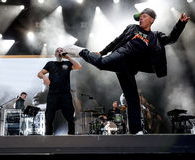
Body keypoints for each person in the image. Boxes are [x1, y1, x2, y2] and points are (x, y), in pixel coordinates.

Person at [62, 8, 190, 134]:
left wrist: (180, 23)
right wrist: (102, 52)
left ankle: (136, 130)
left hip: (131, 67)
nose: (141, 18)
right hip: (122, 55)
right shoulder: (132, 28)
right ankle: (79, 50)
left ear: (152, 20)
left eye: (144, 16)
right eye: (140, 17)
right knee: (101, 63)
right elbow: (117, 40)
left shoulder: (156, 36)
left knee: (132, 98)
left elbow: (171, 39)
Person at [37, 47, 82, 135]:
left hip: (65, 95)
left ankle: (71, 135)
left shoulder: (67, 63)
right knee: (49, 117)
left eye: (61, 50)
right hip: (53, 94)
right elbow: (39, 73)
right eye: (57, 50)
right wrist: (44, 76)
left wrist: (68, 57)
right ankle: (48, 135)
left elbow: (79, 66)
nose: (59, 52)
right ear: (55, 53)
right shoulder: (50, 64)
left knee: (70, 117)